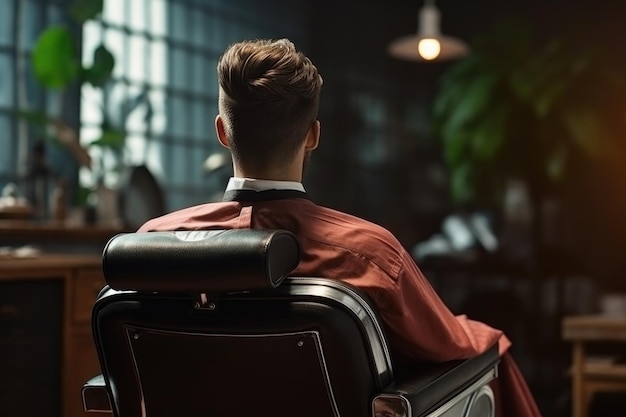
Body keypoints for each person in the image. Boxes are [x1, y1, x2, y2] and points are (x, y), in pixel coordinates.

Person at [138, 38, 542, 417]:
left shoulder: (152, 248)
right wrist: (488, 337)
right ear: (313, 136)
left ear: (222, 133)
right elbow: (448, 343)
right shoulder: (367, 252)